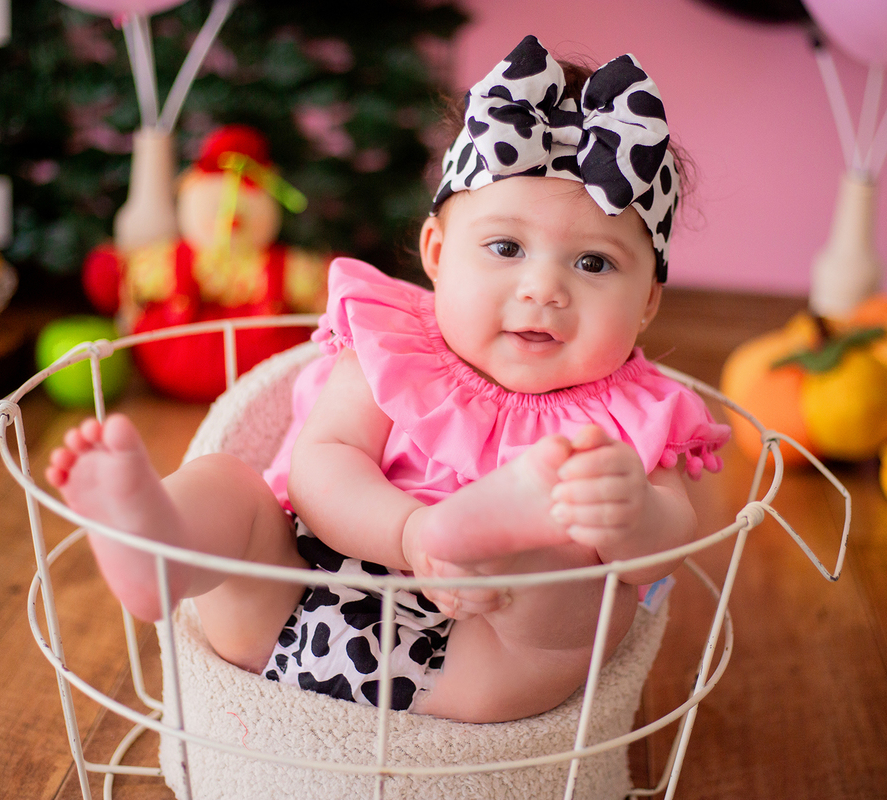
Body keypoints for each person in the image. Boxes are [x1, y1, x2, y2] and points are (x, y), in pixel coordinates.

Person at [46, 35, 729, 724]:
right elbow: (322, 466)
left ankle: (499, 531)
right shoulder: (394, 346)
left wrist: (633, 518)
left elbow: (667, 543)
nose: (543, 288)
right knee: (229, 482)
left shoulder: (636, 413)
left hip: (478, 661)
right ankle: (158, 542)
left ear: (647, 302)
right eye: (505, 247)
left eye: (593, 264)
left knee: (576, 583)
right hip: (300, 591)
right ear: (436, 254)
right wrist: (413, 536)